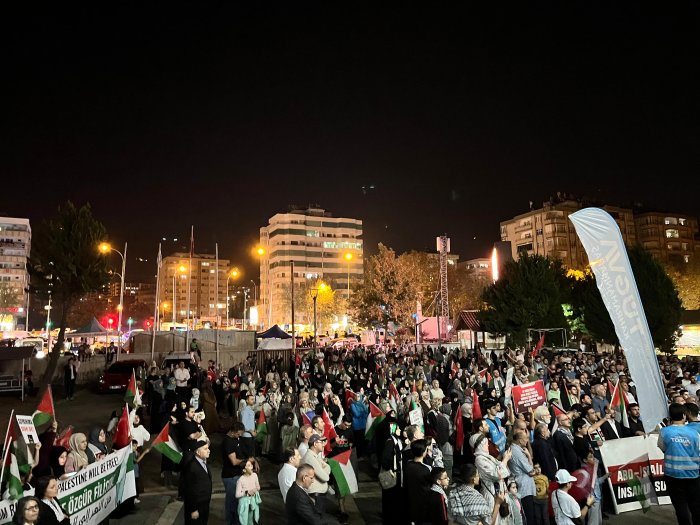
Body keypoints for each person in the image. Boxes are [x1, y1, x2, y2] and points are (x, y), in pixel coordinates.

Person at [657, 402, 700, 524]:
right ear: (684, 415)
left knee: (680, 507)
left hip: (673, 475)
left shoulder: (664, 432)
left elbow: (663, 448)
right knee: (696, 506)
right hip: (692, 475)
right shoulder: (694, 433)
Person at [183, 441, 213, 525]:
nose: (209, 450)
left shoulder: (203, 462)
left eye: (208, 448)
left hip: (204, 505)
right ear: (198, 452)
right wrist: (194, 509)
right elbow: (189, 490)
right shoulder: (191, 467)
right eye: (205, 449)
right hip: (196, 507)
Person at [379, 422, 404, 524]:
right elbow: (385, 459)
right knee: (390, 497)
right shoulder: (390, 441)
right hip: (392, 475)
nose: (400, 430)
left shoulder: (396, 440)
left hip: (395, 474)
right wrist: (391, 469)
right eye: (398, 429)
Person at [223, 422, 246, 525]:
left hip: (236, 475)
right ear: (233, 432)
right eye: (238, 434)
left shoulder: (235, 439)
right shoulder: (228, 442)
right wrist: (245, 460)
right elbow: (234, 461)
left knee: (236, 502)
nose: (239, 436)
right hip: (231, 477)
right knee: (231, 503)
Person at [301, 434, 331, 512]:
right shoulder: (310, 458)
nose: (323, 444)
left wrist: (324, 469)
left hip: (319, 495)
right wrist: (324, 470)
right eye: (321, 442)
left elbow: (328, 467)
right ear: (315, 444)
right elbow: (325, 478)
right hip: (316, 496)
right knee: (317, 516)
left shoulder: (315, 456)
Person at [235, 458, 261, 525]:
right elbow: (237, 495)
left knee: (251, 520)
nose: (251, 467)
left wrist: (255, 490)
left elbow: (258, 487)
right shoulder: (241, 480)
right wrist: (247, 492)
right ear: (244, 470)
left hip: (252, 501)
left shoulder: (255, 475)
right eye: (249, 466)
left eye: (251, 465)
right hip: (244, 503)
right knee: (244, 521)